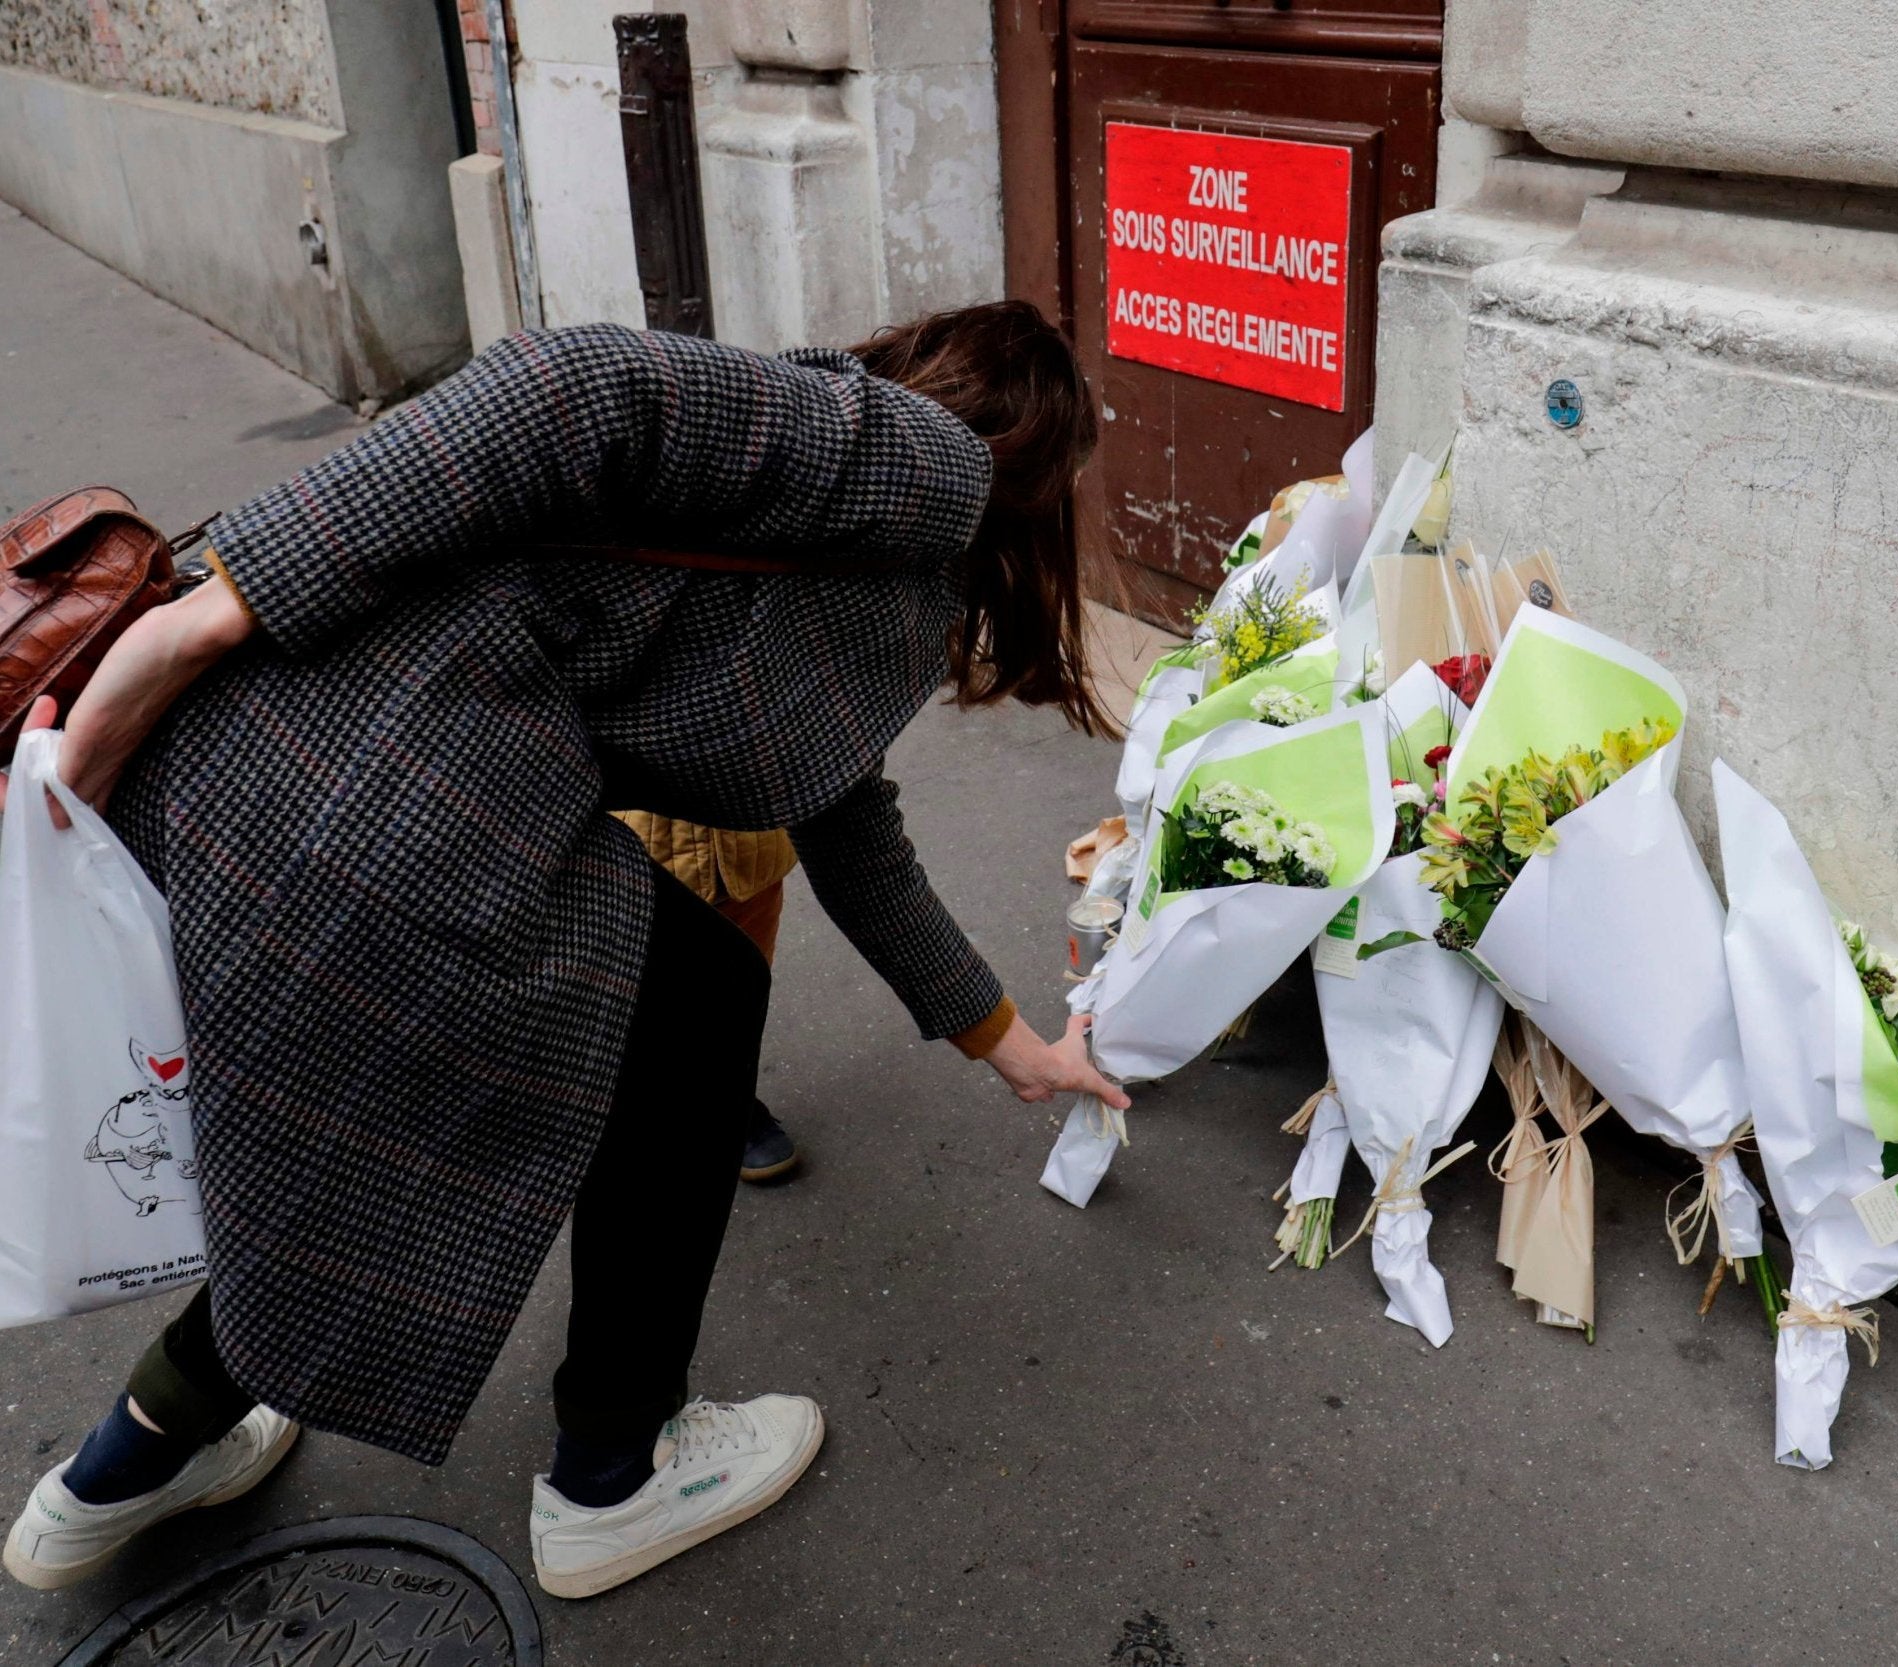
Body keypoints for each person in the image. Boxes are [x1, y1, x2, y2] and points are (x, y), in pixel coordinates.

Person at [0, 303, 1130, 1600]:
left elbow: (851, 829)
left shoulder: (855, 581)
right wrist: (199, 619)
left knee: (380, 1122)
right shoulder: (928, 464)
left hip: (254, 789)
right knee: (678, 1019)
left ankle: (122, 1460)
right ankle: (613, 1468)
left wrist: (1019, 1049)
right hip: (385, 784)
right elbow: (569, 379)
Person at [611, 813, 801, 1181]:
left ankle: (730, 1102)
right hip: (635, 863)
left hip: (743, 853)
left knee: (738, 1000)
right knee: (648, 1012)